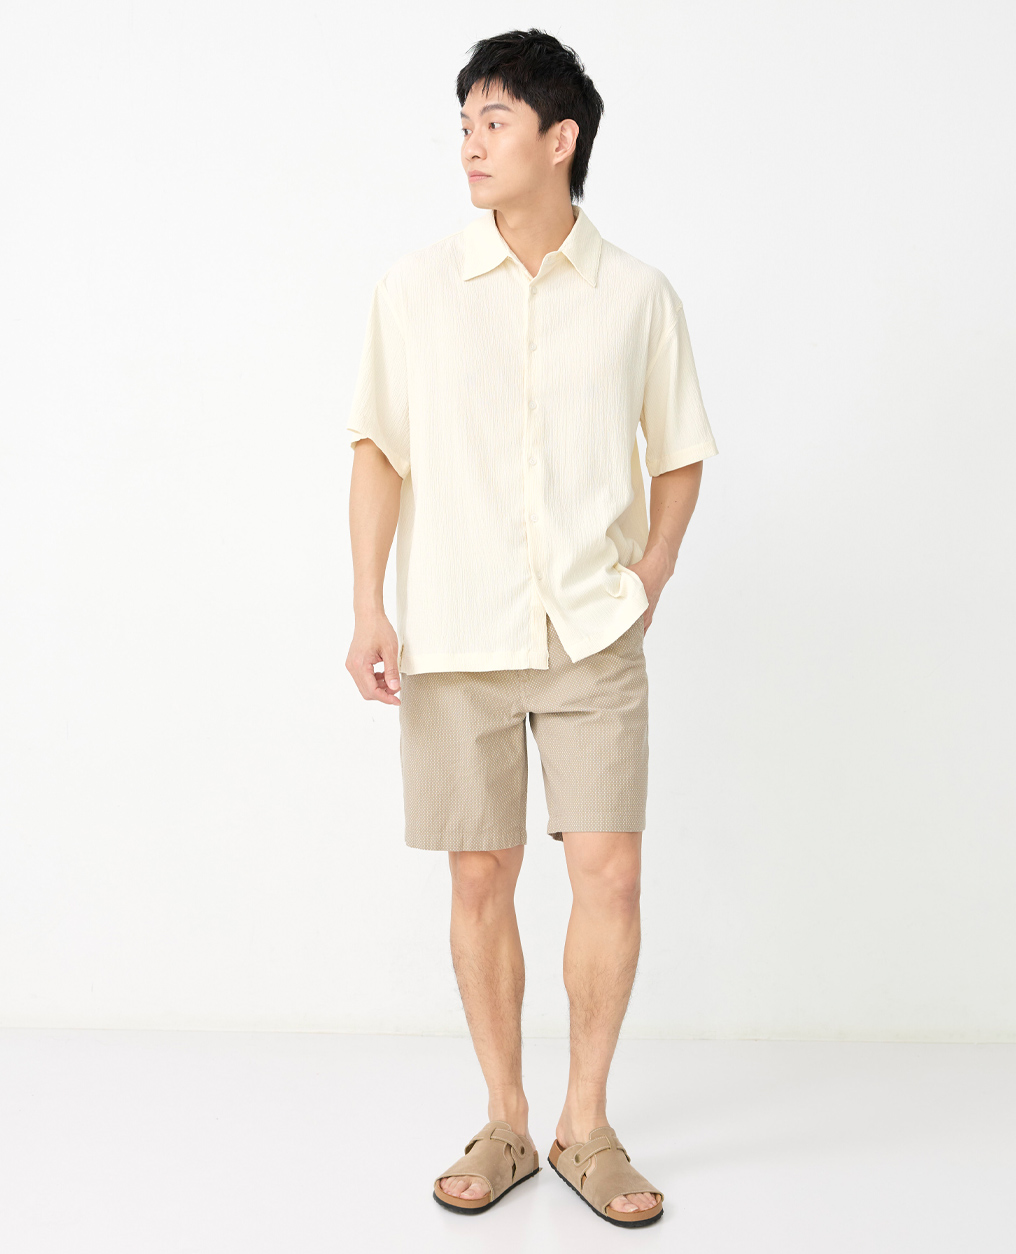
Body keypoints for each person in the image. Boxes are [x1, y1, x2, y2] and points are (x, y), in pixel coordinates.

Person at [345, 28, 718, 1228]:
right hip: (454, 627)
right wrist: (367, 603)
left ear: (561, 140)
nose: (469, 142)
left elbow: (680, 450)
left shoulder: (637, 296)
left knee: (609, 872)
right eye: (463, 122)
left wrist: (650, 572)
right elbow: (379, 449)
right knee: (480, 873)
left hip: (592, 629)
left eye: (494, 120)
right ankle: (505, 1119)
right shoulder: (414, 290)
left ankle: (584, 1125)